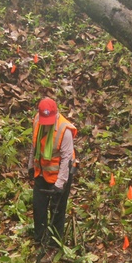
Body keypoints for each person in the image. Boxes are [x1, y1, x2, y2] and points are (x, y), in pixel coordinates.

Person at [29, 97, 77, 251]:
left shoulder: (65, 130)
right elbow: (34, 145)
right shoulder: (37, 121)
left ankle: (54, 244)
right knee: (38, 206)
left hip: (60, 174)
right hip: (42, 172)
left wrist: (59, 185)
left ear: (56, 115)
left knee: (57, 210)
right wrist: (31, 165)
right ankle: (40, 239)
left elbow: (66, 159)